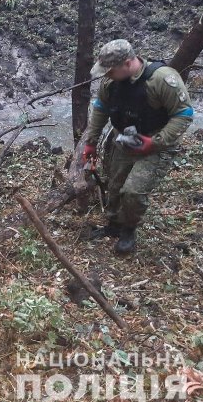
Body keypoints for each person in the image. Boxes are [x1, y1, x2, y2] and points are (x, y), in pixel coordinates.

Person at [82, 39, 194, 254]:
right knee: (114, 187)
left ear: (127, 63)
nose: (106, 75)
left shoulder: (161, 80)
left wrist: (155, 142)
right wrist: (91, 143)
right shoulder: (110, 83)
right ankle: (114, 224)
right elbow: (100, 109)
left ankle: (129, 230)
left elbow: (183, 115)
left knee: (132, 191)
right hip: (124, 140)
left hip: (155, 144)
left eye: (110, 70)